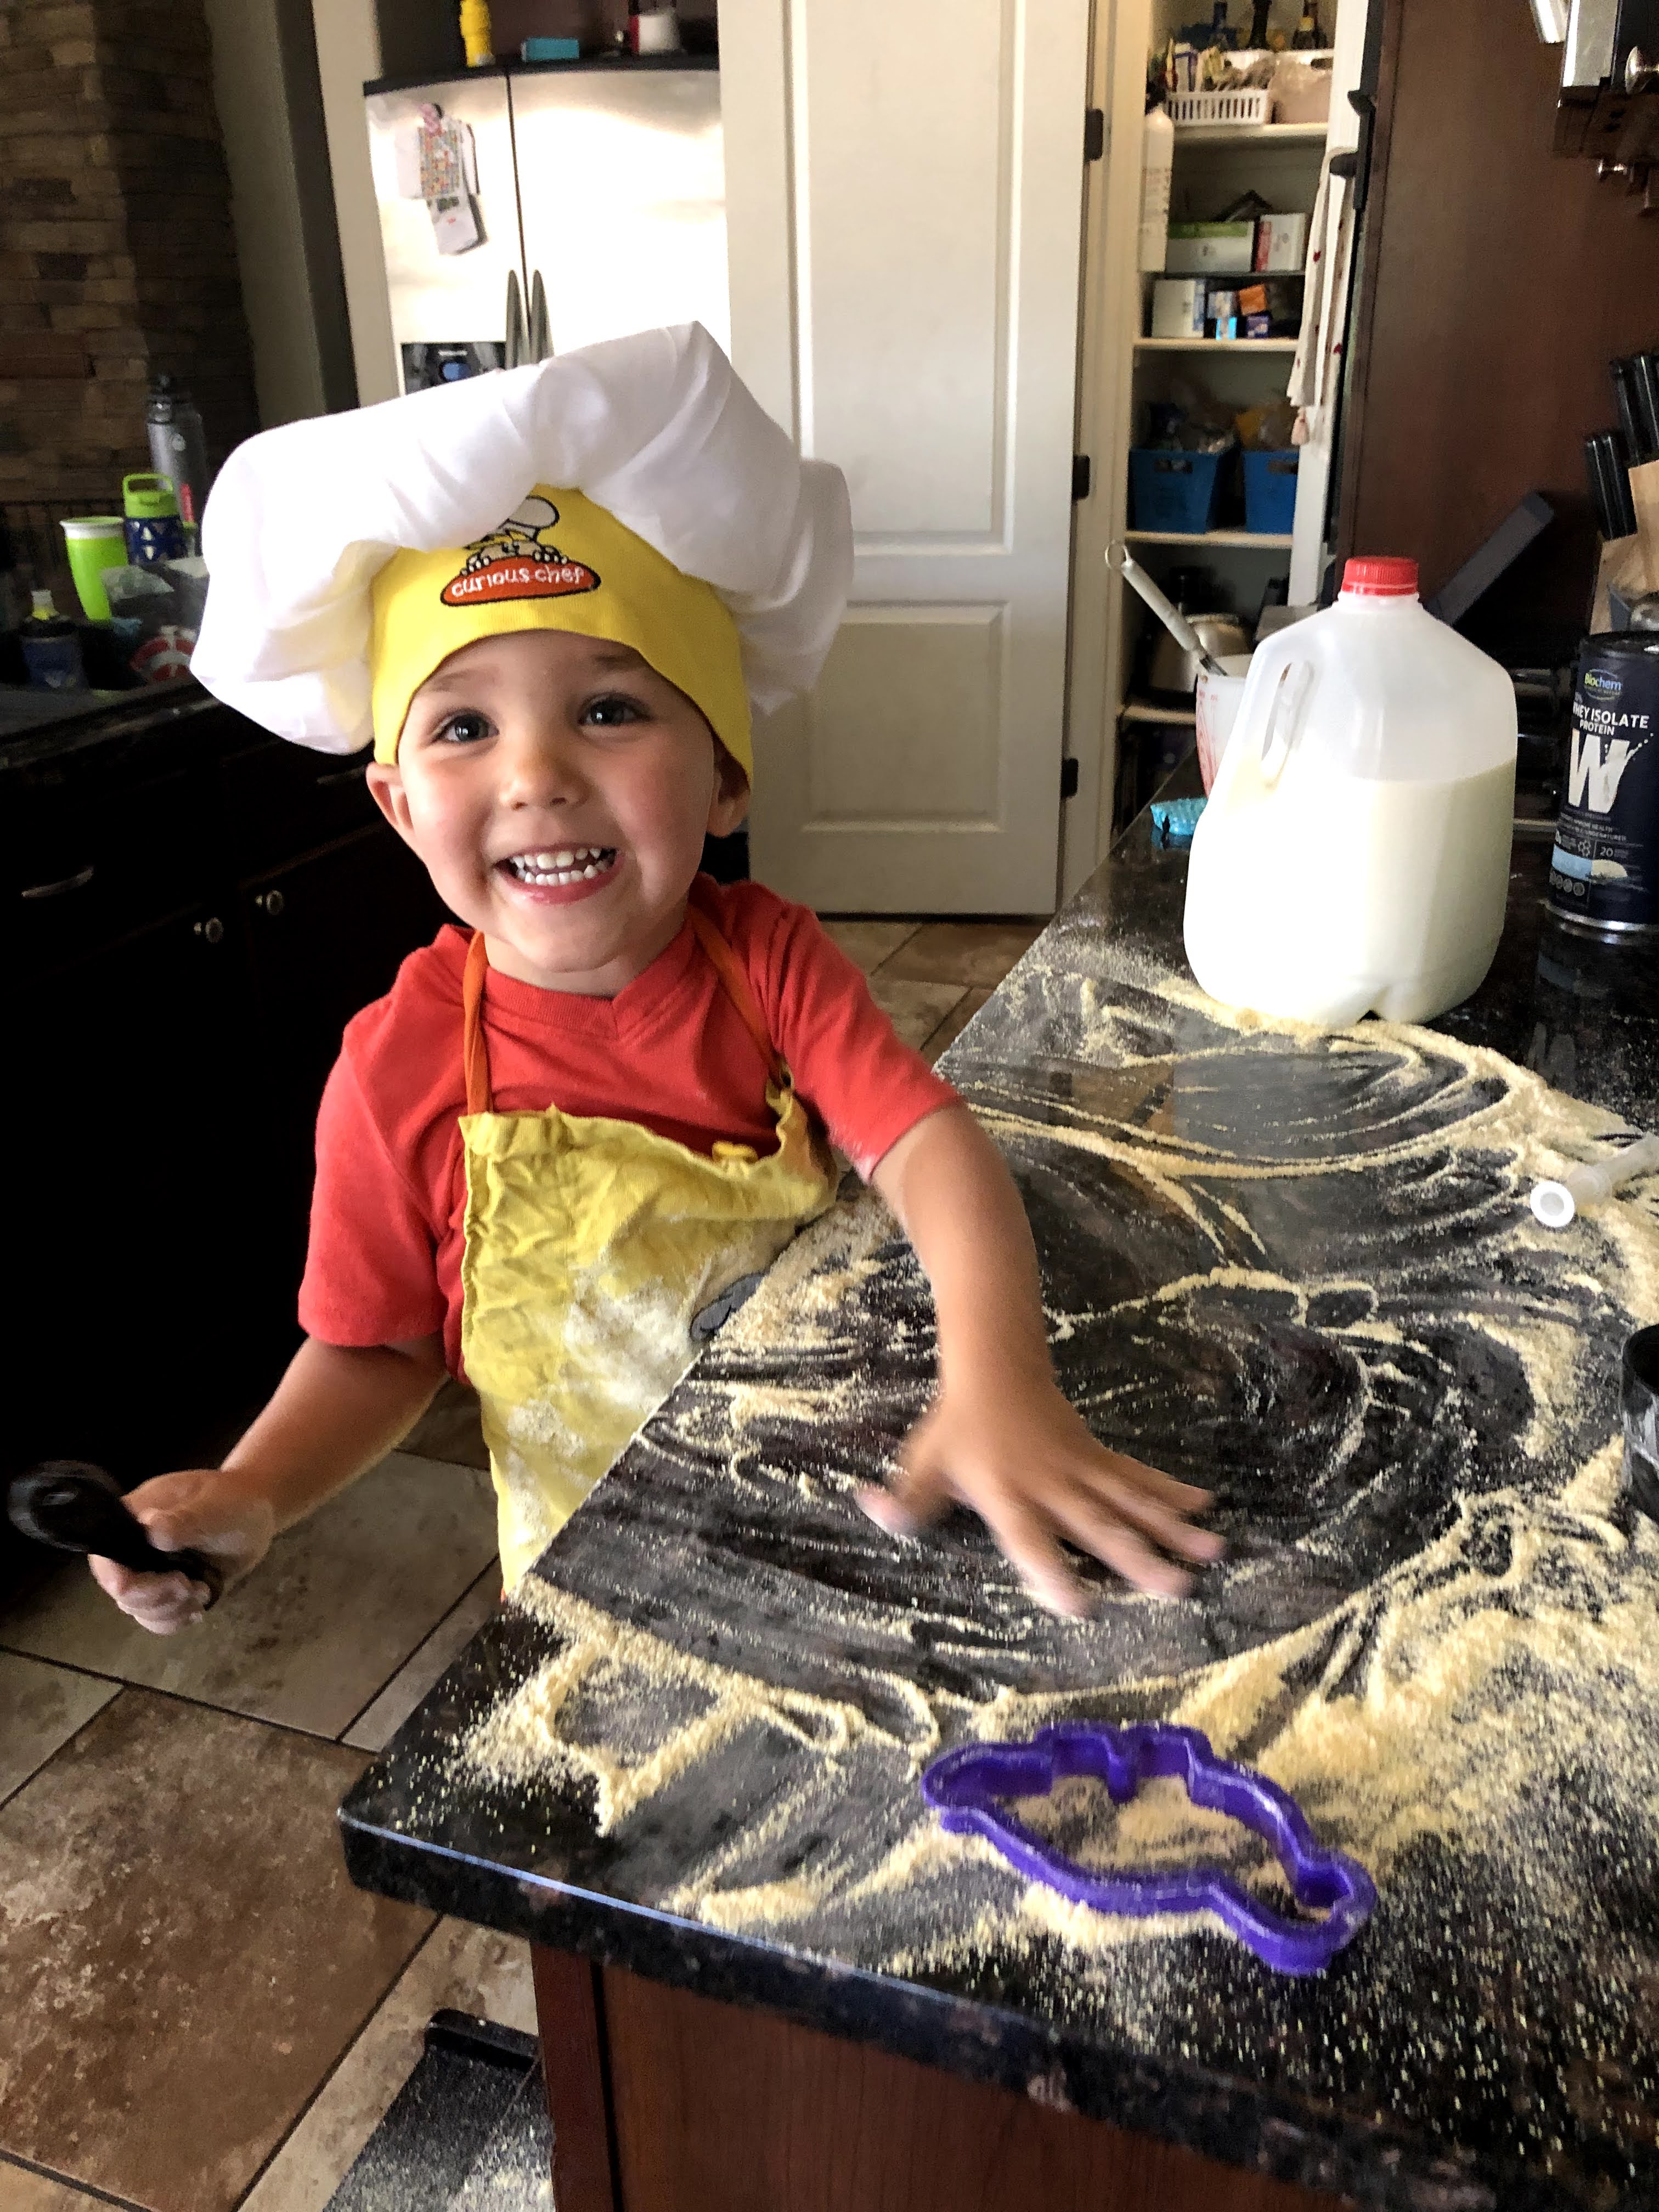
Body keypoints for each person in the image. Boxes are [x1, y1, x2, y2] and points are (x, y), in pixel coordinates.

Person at [94, 325, 1221, 1638]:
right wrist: (256, 1488)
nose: (536, 775)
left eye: (611, 709)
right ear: (400, 810)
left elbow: (929, 1150)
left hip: (834, 1514)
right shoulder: (396, 1070)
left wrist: (1001, 1380)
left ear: (728, 775)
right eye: (465, 726)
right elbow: (379, 1347)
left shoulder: (769, 965)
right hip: (596, 1583)